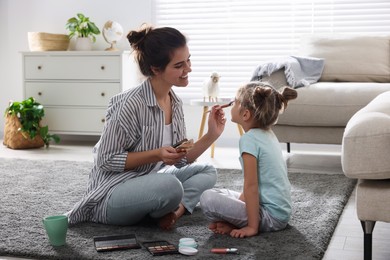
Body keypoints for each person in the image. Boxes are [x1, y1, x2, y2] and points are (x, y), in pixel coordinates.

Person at [66, 25, 226, 230]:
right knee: (171, 187)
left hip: (149, 180)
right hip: (113, 191)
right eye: (179, 65)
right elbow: (104, 159)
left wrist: (212, 134)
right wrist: (157, 155)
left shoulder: (174, 103)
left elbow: (181, 159)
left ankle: (174, 212)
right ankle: (160, 206)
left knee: (208, 171)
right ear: (155, 69)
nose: (188, 69)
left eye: (188, 60)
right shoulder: (131, 104)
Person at [200, 81, 297, 238]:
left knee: (208, 198)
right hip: (280, 214)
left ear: (245, 114)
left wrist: (252, 227)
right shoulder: (268, 134)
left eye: (235, 102)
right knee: (220, 192)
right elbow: (254, 186)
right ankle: (236, 221)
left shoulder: (248, 140)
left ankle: (249, 223)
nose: (231, 104)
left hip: (269, 217)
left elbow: (251, 186)